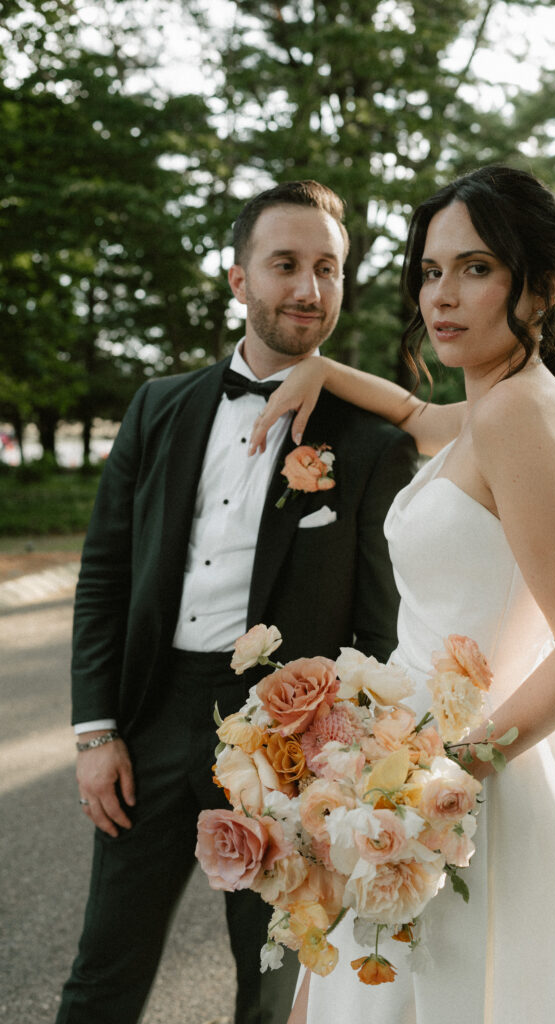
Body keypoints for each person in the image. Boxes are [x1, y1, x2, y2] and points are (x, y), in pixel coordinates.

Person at [250, 165, 555, 1024]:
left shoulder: (514, 413)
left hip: (462, 778)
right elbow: (415, 413)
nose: (442, 295)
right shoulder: (496, 403)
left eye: (476, 268)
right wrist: (321, 372)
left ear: (542, 283)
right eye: (431, 270)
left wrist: (438, 780)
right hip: (413, 762)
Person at [55, 179, 417, 1024]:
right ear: (236, 280)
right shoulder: (158, 406)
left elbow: (379, 625)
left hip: (283, 744)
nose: (307, 289)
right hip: (146, 723)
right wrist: (95, 732)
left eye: (327, 269)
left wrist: (340, 768)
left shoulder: (370, 442)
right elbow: (104, 574)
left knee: (271, 987)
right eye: (285, 264)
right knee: (103, 973)